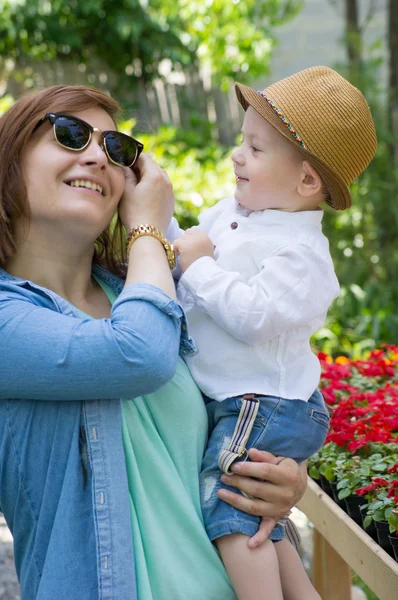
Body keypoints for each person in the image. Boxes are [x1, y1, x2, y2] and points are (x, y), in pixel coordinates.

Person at [0, 84, 307, 600]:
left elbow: (257, 391)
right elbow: (137, 354)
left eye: (116, 149)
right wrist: (147, 226)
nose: (98, 156)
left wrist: (286, 474)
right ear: (9, 158)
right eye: (71, 135)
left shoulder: (149, 292)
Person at [173, 66, 377, 600]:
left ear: (308, 181)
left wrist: (197, 267)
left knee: (231, 501)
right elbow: (184, 248)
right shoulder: (234, 213)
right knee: (266, 517)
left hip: (266, 403)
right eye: (243, 142)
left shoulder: (302, 254)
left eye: (256, 149)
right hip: (247, 400)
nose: (237, 155)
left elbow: (253, 314)